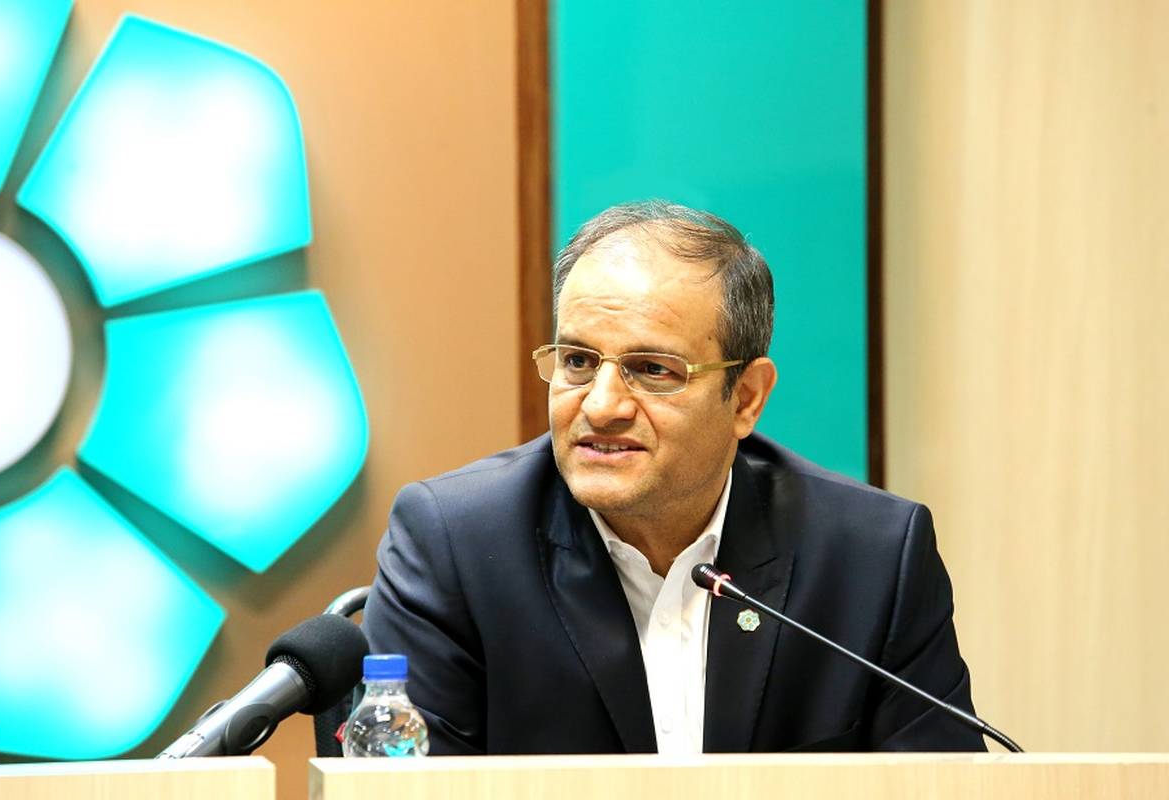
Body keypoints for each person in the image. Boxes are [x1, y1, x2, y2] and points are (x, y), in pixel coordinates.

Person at [361, 200, 985, 754]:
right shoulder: (456, 545)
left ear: (745, 398)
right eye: (577, 361)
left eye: (653, 369)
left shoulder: (873, 556)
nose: (602, 405)